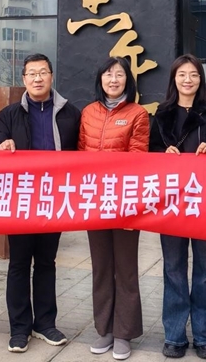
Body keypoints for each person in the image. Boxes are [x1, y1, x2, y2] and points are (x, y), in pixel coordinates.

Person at [0, 53, 81, 353]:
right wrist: (2, 145)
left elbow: (83, 155)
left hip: (55, 198)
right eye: (32, 73)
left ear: (52, 76)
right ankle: (19, 328)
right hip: (21, 198)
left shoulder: (70, 114)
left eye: (43, 72)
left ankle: (45, 323)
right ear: (24, 79)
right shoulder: (9, 114)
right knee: (18, 263)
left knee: (46, 263)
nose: (38, 78)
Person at [149, 54, 206, 360]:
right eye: (182, 74)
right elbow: (150, 153)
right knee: (173, 270)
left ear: (201, 79)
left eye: (194, 74)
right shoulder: (162, 114)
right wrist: (163, 154)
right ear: (174, 79)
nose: (188, 80)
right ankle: (174, 336)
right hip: (171, 203)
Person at [78, 57, 150, 360]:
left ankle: (124, 333)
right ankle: (104, 329)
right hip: (95, 201)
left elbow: (137, 157)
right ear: (100, 80)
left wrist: (127, 199)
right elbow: (80, 154)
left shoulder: (137, 113)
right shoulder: (88, 112)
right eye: (108, 74)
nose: (113, 80)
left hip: (124, 202)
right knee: (101, 268)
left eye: (119, 75)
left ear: (127, 81)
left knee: (126, 269)